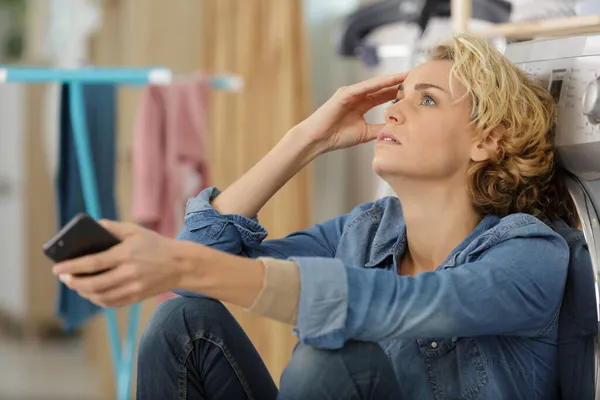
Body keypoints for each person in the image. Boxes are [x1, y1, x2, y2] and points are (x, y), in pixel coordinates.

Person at [53, 33, 579, 399]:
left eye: (426, 100)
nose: (391, 110)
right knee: (180, 321)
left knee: (335, 357)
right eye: (396, 97)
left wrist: (176, 264)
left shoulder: (530, 255)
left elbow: (393, 305)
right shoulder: (366, 231)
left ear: (488, 141)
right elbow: (201, 272)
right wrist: (304, 140)